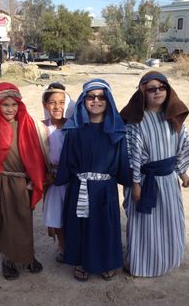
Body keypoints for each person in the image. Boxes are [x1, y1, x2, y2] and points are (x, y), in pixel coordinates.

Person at [55, 78, 132, 281]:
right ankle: (82, 261)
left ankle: (107, 261)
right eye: (91, 96)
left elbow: (123, 159)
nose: (96, 100)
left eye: (101, 97)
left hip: (105, 189)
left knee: (104, 225)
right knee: (81, 225)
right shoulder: (75, 129)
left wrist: (129, 181)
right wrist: (59, 179)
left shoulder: (116, 131)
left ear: (108, 100)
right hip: (79, 186)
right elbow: (67, 158)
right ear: (83, 100)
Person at [120, 71, 189, 277]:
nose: (157, 92)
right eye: (151, 89)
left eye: (162, 87)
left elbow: (181, 147)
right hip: (145, 181)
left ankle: (167, 260)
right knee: (145, 225)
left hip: (169, 181)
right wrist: (135, 183)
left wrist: (183, 173)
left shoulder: (173, 116)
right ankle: (142, 264)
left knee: (170, 221)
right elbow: (132, 153)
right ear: (142, 92)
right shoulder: (136, 121)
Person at [0, 82, 46, 280]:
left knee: (24, 220)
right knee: (6, 223)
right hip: (3, 183)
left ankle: (28, 257)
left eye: (14, 104)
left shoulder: (26, 125)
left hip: (24, 183)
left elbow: (35, 156)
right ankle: (8, 261)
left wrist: (34, 180)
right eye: (5, 105)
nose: (10, 109)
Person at [35, 82, 75, 263]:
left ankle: (76, 246)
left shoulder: (73, 127)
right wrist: (45, 175)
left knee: (73, 213)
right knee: (56, 214)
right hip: (53, 178)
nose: (57, 107)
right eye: (52, 102)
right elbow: (35, 155)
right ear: (45, 105)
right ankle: (63, 246)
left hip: (72, 178)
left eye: (61, 102)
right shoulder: (41, 128)